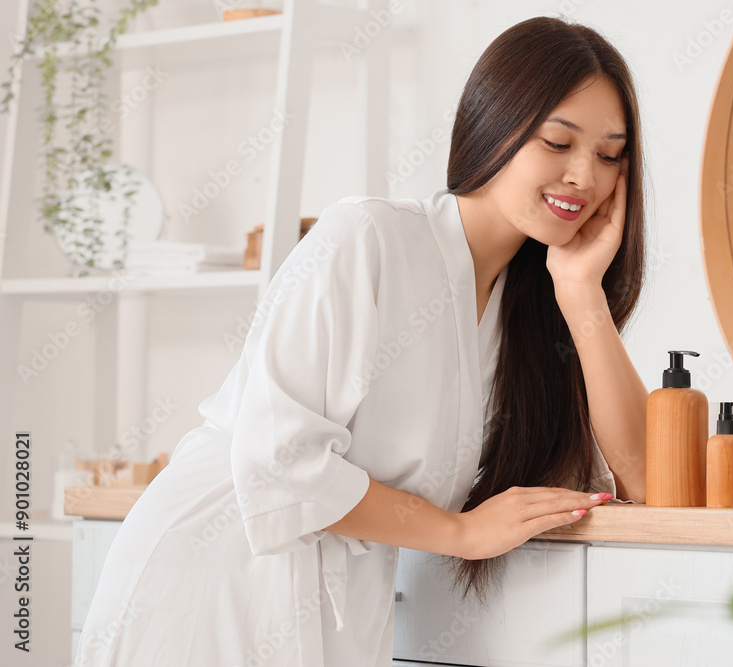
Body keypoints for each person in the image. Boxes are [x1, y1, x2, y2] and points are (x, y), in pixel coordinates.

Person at [74, 13, 648, 667]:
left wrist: (582, 294)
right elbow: (280, 459)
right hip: (210, 577)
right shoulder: (368, 238)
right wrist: (460, 532)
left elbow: (645, 475)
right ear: (494, 125)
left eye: (608, 155)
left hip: (327, 607)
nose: (584, 175)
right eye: (557, 141)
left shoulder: (528, 318)